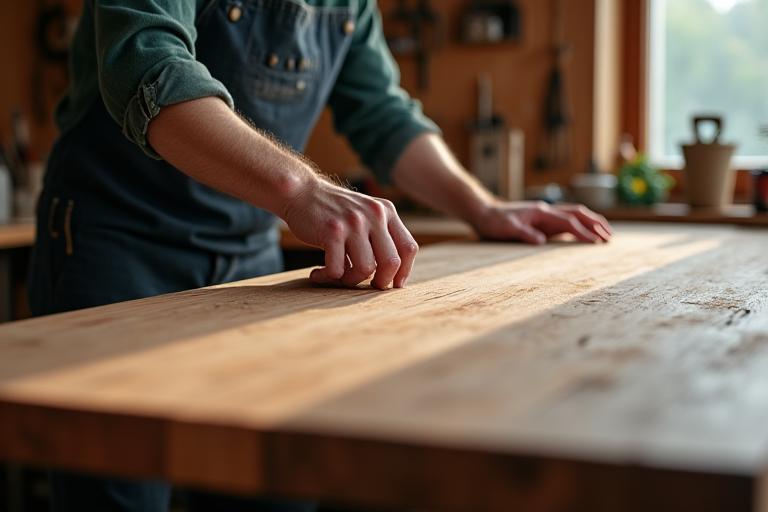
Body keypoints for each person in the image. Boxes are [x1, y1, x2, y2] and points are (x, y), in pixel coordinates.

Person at [28, 0, 612, 510]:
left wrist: (483, 209)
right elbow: (149, 68)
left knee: (270, 484)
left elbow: (383, 115)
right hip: (119, 241)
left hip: (249, 259)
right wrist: (301, 189)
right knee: (117, 486)